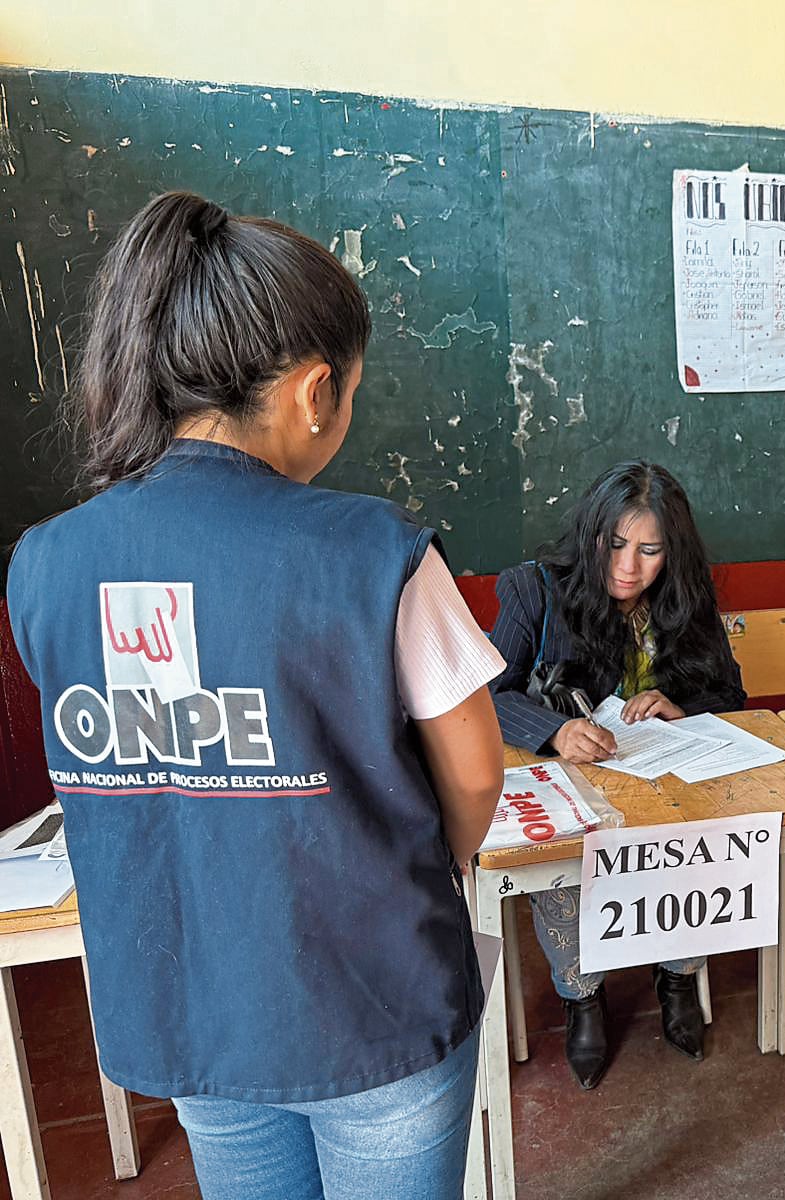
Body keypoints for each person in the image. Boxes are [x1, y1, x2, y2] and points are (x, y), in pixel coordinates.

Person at [6, 191, 508, 1200]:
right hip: (371, 1004)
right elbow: (476, 773)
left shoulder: (45, 564)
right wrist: (428, 870)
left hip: (191, 1013)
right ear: (317, 390)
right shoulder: (375, 552)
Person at [487, 460, 745, 1089]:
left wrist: (682, 707)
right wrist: (554, 731)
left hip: (664, 783)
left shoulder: (687, 600)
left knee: (700, 847)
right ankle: (583, 997)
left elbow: (732, 697)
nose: (629, 567)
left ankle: (678, 978)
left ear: (672, 553)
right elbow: (485, 695)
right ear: (591, 535)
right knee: (563, 866)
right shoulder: (534, 590)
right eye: (616, 544)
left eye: (650, 551)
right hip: (574, 787)